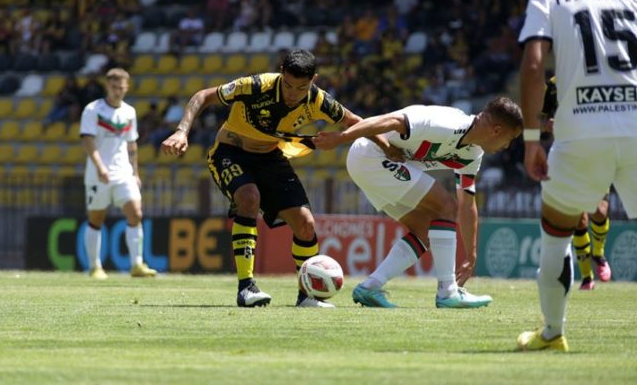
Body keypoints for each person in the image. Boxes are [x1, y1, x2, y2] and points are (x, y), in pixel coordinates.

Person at [160, 50, 399, 308]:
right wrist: (182, 132)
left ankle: (307, 295)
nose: (293, 93)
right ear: (281, 71)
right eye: (287, 85)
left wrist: (387, 147)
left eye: (301, 87)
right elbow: (203, 95)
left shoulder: (317, 100)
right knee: (248, 197)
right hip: (230, 153)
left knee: (305, 223)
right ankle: (246, 287)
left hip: (271, 157)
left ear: (314, 79)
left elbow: (354, 121)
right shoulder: (256, 85)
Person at [518, 0, 637, 352]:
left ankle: (552, 332)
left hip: (580, 130)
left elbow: (533, 66)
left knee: (556, 230)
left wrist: (533, 138)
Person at [313, 98, 522, 308]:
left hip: (372, 166)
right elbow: (391, 120)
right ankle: (448, 292)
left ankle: (371, 287)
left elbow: (467, 203)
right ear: (496, 130)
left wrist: (471, 254)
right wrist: (342, 137)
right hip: (370, 155)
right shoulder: (445, 123)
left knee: (424, 229)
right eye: (510, 139)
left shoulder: (473, 153)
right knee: (446, 206)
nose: (507, 146)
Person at [79, 68, 156, 279]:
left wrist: (135, 172)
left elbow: (132, 144)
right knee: (96, 218)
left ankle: (136, 265)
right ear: (107, 86)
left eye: (121, 87)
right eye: (114, 87)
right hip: (99, 173)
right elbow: (88, 140)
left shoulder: (129, 112)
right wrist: (99, 167)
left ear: (127, 87)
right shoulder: (93, 110)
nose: (118, 91)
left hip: (123, 172)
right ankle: (95, 267)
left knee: (136, 213)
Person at [540, 76, 612, 291]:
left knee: (599, 211)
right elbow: (539, 118)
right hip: (566, 155)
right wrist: (546, 124)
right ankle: (587, 277)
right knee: (578, 219)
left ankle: (598, 254)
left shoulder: (598, 78)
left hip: (596, 153)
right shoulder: (553, 84)